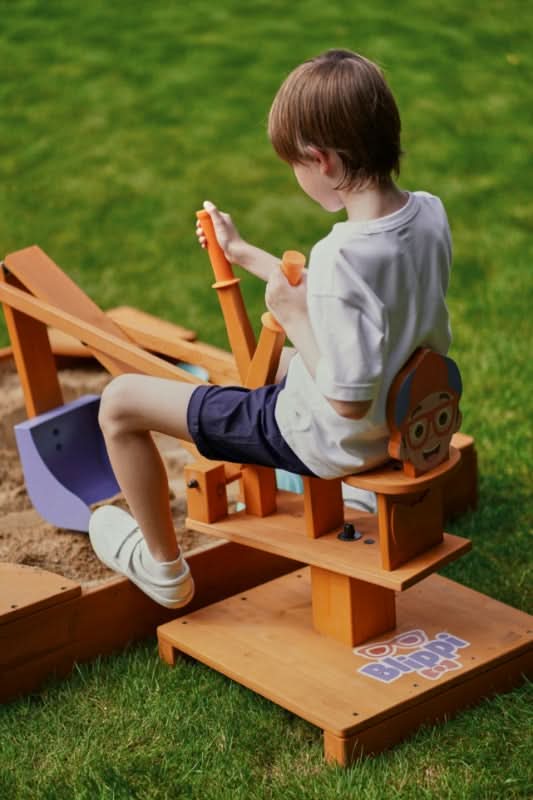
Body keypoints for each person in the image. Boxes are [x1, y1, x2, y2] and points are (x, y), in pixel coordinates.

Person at [89, 49, 452, 608]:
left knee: (118, 403)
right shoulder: (428, 213)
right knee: (266, 364)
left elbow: (345, 400)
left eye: (295, 166)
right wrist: (243, 254)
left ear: (321, 161)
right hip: (407, 416)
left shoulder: (338, 256)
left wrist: (294, 316)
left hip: (338, 438)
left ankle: (163, 570)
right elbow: (360, 305)